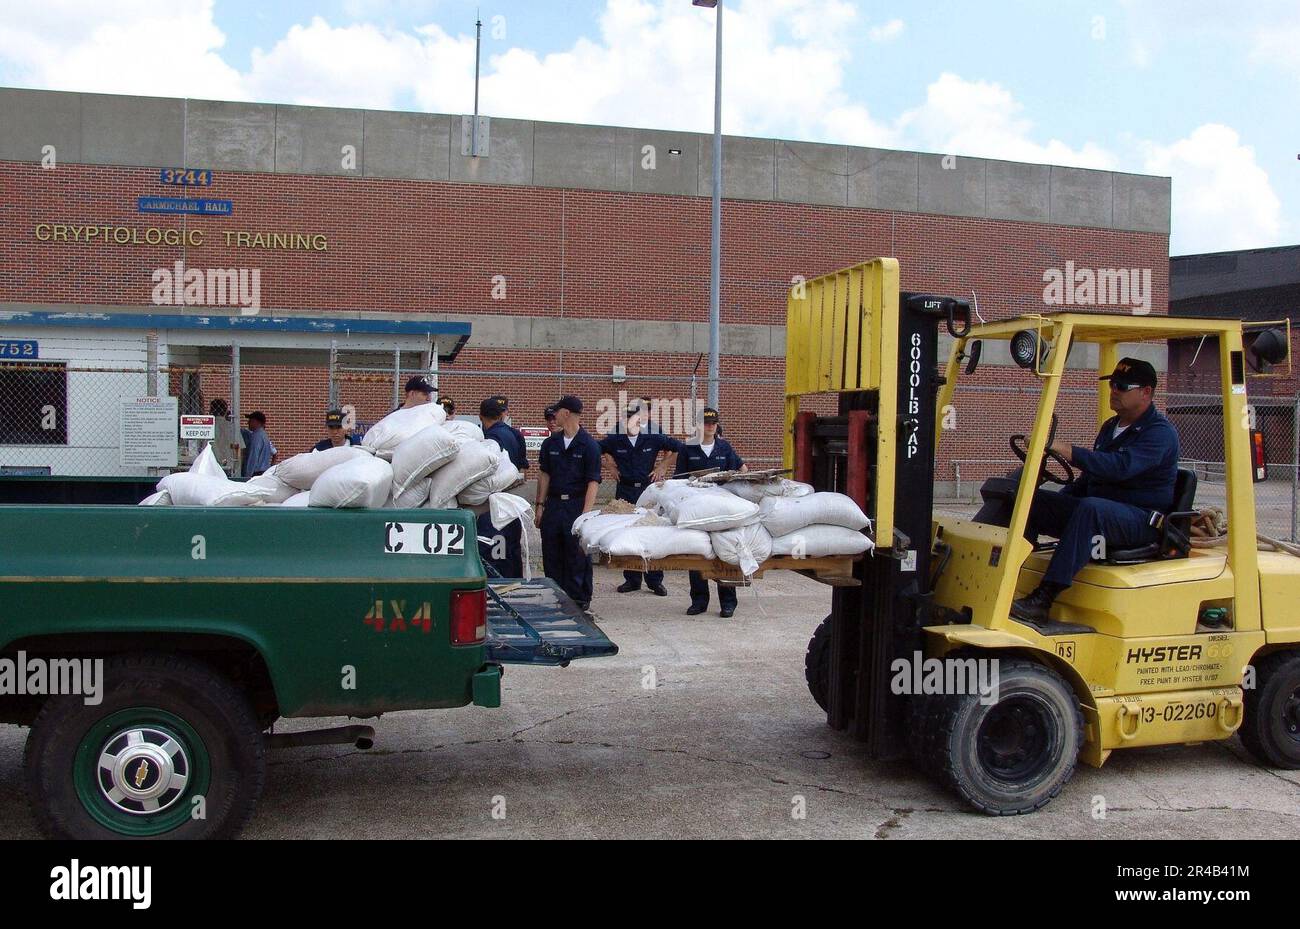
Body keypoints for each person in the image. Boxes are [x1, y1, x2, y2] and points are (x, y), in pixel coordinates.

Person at [1011, 358, 1180, 624]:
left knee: (1091, 509)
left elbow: (1119, 467)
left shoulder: (1160, 433)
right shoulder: (1110, 427)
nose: (1114, 390)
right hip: (1106, 513)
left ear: (1146, 392)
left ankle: (1043, 599)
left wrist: (1067, 450)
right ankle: (1007, 574)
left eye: (1122, 386)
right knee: (1030, 501)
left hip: (1141, 520)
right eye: (1112, 384)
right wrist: (1056, 502)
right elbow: (1091, 478)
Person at [600, 403, 683, 596]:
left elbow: (680, 449)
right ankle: (632, 579)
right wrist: (608, 465)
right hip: (625, 491)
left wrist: (663, 466)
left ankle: (655, 581)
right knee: (628, 533)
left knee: (652, 533)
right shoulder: (615, 439)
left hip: (648, 491)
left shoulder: (652, 437)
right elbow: (592, 450)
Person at [674, 407, 748, 617]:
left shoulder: (724, 447)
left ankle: (728, 602)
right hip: (697, 508)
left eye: (713, 423)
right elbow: (679, 479)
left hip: (723, 509)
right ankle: (699, 601)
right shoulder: (687, 448)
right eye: (706, 423)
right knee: (698, 553)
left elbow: (741, 469)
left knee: (725, 552)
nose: (709, 426)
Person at [535, 395, 602, 610]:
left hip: (576, 505)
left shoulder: (589, 445)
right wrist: (540, 506)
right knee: (552, 552)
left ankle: (578, 600)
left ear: (566, 413)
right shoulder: (550, 444)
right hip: (554, 506)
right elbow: (544, 475)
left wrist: (585, 516)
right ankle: (555, 595)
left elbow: (593, 483)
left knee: (577, 555)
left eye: (557, 412)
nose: (553, 417)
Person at [477, 396, 530, 578]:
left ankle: (492, 588)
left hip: (491, 504)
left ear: (481, 416)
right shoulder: (515, 434)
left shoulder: (487, 438)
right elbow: (523, 471)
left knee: (489, 548)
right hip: (510, 502)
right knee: (511, 547)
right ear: (502, 415)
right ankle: (515, 585)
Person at [209, 398, 244, 477]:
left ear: (211, 410)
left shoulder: (208, 428)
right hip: (230, 466)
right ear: (225, 411)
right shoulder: (233, 428)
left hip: (211, 467)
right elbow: (239, 448)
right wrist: (237, 467)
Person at [241, 411, 277, 477]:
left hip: (256, 473)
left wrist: (247, 476)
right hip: (264, 472)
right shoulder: (264, 436)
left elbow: (253, 457)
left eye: (251, 420)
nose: (248, 422)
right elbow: (275, 453)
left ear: (258, 422)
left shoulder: (256, 436)